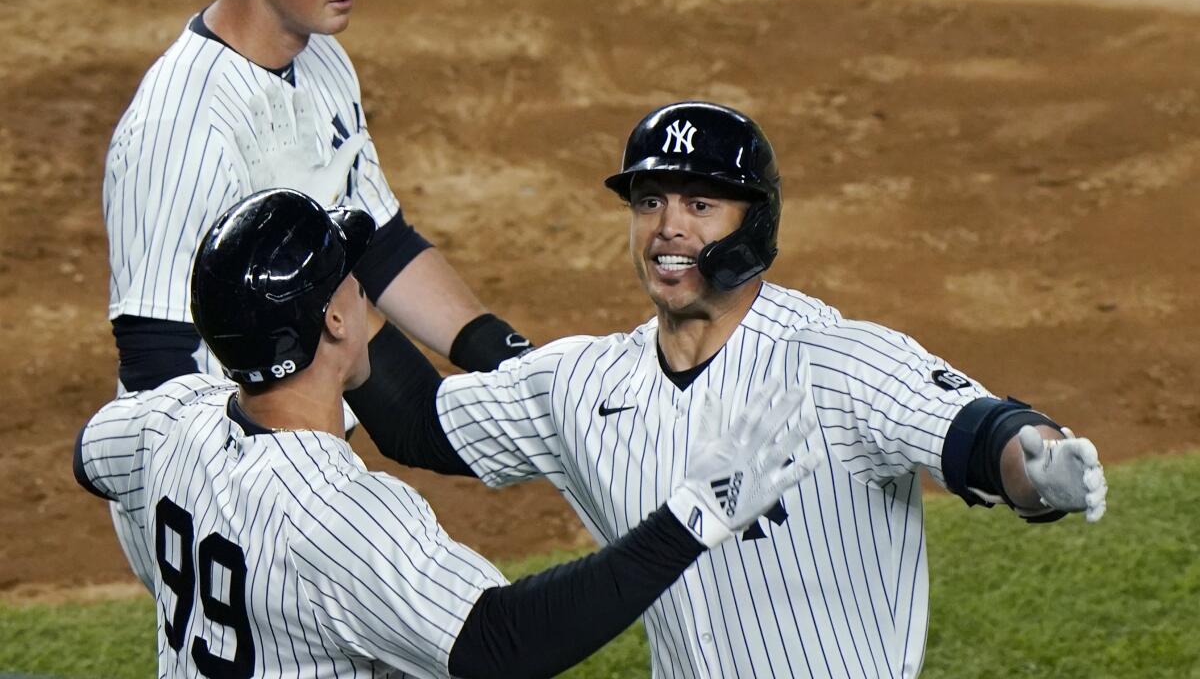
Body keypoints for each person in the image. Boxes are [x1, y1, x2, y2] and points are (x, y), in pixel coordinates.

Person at [335, 101, 1109, 678]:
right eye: (649, 203)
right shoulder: (583, 383)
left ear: (752, 226)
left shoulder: (837, 363)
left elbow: (975, 433)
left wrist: (1035, 463)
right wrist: (334, 285)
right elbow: (420, 424)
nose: (667, 227)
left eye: (699, 205)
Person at [73, 188, 822, 678]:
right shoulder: (338, 515)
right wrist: (695, 516)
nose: (364, 288)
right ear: (337, 320)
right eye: (348, 276)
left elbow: (89, 455)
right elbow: (503, 643)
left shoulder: (173, 422)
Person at [102, 0, 531, 590]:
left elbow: (380, 243)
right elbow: (156, 366)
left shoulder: (321, 56)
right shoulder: (182, 129)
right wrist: (258, 494)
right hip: (223, 477)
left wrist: (503, 355)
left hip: (305, 449)